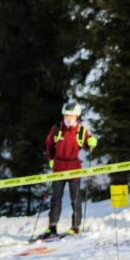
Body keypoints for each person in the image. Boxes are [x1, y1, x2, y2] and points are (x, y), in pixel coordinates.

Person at [40, 101, 98, 238]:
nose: (68, 118)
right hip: (59, 168)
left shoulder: (81, 131)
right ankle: (52, 227)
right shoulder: (57, 129)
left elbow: (88, 144)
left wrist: (92, 143)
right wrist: (51, 159)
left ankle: (76, 226)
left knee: (75, 198)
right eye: (66, 116)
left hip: (74, 168)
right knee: (55, 199)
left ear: (77, 116)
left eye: (71, 116)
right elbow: (49, 143)